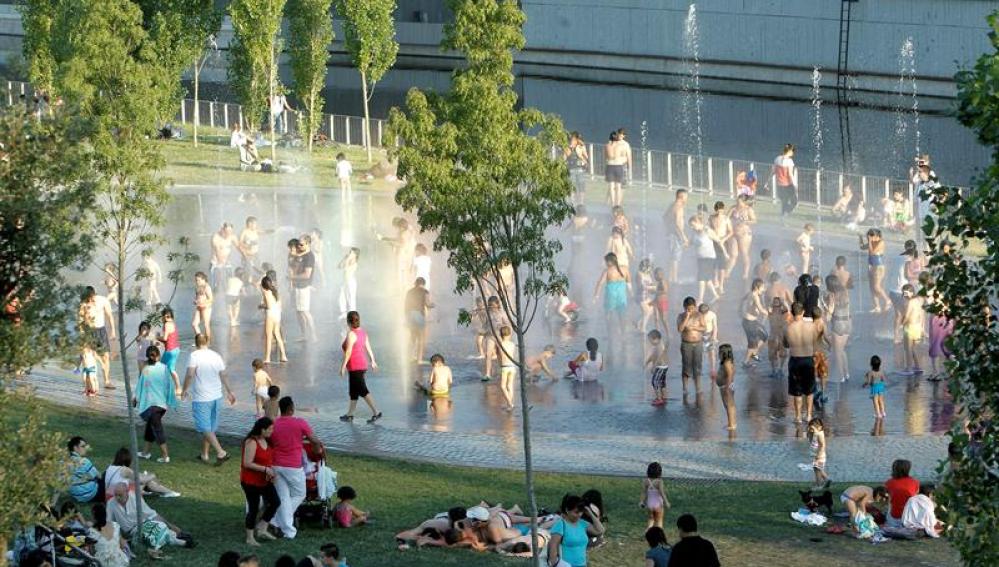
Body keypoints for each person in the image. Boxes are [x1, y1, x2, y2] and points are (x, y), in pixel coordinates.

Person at [270, 396, 323, 539]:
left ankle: (278, 523)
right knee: (300, 494)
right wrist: (318, 449)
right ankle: (282, 526)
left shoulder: (273, 424)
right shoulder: (300, 423)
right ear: (291, 409)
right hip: (292, 466)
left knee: (283, 497)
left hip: (275, 464)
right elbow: (314, 439)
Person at [182, 333, 237, 464]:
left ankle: (221, 452)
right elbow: (224, 374)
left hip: (202, 397)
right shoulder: (216, 355)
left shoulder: (194, 355)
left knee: (204, 427)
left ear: (195, 343)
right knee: (210, 428)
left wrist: (184, 390)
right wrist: (230, 391)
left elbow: (190, 375)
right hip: (217, 397)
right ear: (207, 341)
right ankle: (204, 455)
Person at [106, 482, 191, 556]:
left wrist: (171, 526)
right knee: (150, 536)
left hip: (145, 523)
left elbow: (150, 513)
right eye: (115, 495)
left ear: (127, 492)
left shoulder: (135, 498)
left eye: (120, 495)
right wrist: (120, 538)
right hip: (132, 531)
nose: (117, 498)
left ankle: (179, 537)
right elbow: (109, 524)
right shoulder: (111, 503)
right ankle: (180, 542)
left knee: (160, 527)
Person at [133, 346, 179, 463]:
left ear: (148, 357)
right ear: (158, 356)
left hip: (151, 405)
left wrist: (136, 398)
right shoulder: (164, 368)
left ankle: (165, 456)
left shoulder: (146, 370)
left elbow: (140, 386)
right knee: (150, 427)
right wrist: (171, 401)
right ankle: (145, 452)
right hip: (161, 405)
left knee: (157, 430)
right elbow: (170, 386)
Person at [240, 417, 279, 546]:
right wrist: (265, 469)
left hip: (264, 479)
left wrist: (271, 472)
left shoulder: (267, 441)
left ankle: (262, 528)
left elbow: (268, 460)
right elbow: (247, 463)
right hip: (250, 481)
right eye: (270, 429)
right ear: (262, 429)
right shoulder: (251, 442)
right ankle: (250, 537)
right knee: (254, 507)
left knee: (275, 502)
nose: (272, 431)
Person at [339, 311, 382, 423]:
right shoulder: (362, 332)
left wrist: (343, 366)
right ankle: (350, 414)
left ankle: (376, 412)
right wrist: (372, 360)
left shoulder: (351, 334)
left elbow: (348, 352)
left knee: (362, 390)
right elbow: (368, 347)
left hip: (355, 366)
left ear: (348, 321)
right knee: (353, 391)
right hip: (361, 364)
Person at [547, 494, 605, 567]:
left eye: (581, 511)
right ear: (567, 510)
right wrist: (553, 564)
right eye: (576, 512)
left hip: (582, 564)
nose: (579, 515)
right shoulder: (560, 525)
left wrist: (590, 513)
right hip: (566, 565)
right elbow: (553, 548)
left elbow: (600, 531)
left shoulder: (583, 524)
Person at [784, 302, 818, 423]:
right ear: (803, 312)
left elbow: (785, 344)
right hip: (808, 359)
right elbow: (815, 342)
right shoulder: (811, 326)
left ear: (792, 313)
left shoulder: (788, 328)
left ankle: (798, 416)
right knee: (809, 390)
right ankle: (808, 415)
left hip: (795, 360)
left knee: (796, 391)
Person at [78, 286, 115, 390]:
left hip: (101, 331)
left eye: (91, 297)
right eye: (88, 298)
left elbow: (109, 316)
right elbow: (80, 320)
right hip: (89, 331)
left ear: (94, 294)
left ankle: (107, 381)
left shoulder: (103, 300)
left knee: (106, 356)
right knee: (89, 356)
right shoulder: (84, 304)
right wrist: (82, 333)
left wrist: (113, 331)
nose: (90, 300)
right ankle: (89, 380)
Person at [104, 447, 179, 498]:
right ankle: (168, 492)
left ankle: (165, 492)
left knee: (141, 479)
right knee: (145, 481)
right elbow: (141, 480)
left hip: (108, 494)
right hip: (119, 496)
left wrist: (145, 475)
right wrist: (153, 475)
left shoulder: (110, 467)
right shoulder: (125, 469)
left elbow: (130, 478)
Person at [593, 252, 631, 332]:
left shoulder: (607, 271)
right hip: (621, 296)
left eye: (606, 261)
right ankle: (623, 334)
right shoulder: (625, 269)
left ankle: (610, 333)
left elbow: (600, 283)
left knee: (608, 315)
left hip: (611, 296)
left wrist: (596, 296)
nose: (605, 263)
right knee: (622, 315)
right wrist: (632, 294)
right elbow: (629, 283)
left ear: (610, 261)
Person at [689, 215, 723, 303]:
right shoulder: (694, 232)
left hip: (709, 258)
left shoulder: (707, 231)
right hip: (700, 258)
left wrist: (725, 253)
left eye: (693, 225)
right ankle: (715, 295)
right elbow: (691, 242)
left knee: (701, 278)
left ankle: (700, 299)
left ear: (698, 223)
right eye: (691, 226)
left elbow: (718, 240)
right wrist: (685, 243)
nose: (692, 227)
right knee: (707, 279)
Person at [289, 238, 317, 342]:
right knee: (298, 312)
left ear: (308, 244)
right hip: (297, 286)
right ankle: (304, 335)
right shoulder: (301, 255)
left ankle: (313, 335)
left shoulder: (309, 257)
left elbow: (307, 275)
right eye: (298, 245)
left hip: (303, 287)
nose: (298, 247)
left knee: (305, 312)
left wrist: (292, 277)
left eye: (301, 245)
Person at [676, 297, 705, 394]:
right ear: (684, 307)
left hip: (698, 343)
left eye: (692, 308)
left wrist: (696, 327)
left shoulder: (699, 315)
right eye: (688, 309)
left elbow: (704, 328)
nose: (691, 310)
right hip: (686, 344)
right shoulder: (681, 316)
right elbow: (680, 329)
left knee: (697, 366)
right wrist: (687, 317)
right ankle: (685, 388)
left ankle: (698, 388)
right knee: (686, 366)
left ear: (695, 307)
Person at [259, 275, 288, 364]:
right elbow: (279, 304)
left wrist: (261, 306)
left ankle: (267, 358)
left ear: (263, 285)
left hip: (270, 314)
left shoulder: (265, 291)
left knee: (269, 337)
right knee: (277, 334)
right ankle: (283, 356)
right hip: (277, 314)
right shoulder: (275, 291)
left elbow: (268, 305)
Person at [860, 229, 890, 313]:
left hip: (878, 267)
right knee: (872, 288)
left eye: (870, 237)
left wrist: (869, 242)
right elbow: (862, 247)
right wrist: (860, 238)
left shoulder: (881, 242)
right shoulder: (871, 242)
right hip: (871, 266)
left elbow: (872, 252)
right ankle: (877, 306)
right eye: (867, 237)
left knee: (877, 286)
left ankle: (887, 300)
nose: (869, 239)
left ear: (876, 236)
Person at [405, 277, 434, 363]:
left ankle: (410, 357)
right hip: (419, 315)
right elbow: (428, 304)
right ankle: (419, 360)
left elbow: (405, 305)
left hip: (409, 315)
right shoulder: (424, 291)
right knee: (421, 338)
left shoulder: (409, 292)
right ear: (423, 284)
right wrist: (433, 305)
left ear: (416, 283)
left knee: (413, 337)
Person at [727, 195, 756, 280]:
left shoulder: (748, 210)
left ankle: (745, 273)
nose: (737, 203)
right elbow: (726, 218)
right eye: (737, 201)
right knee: (733, 254)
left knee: (744, 253)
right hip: (734, 232)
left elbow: (754, 220)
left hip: (744, 234)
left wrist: (746, 221)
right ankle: (727, 272)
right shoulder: (733, 208)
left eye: (739, 201)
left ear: (744, 202)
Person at [739, 279, 767, 367]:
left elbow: (742, 300)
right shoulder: (755, 296)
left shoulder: (750, 293)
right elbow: (761, 310)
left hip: (750, 321)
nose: (764, 289)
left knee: (764, 335)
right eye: (762, 287)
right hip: (750, 323)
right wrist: (769, 312)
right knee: (752, 344)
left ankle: (754, 353)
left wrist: (740, 310)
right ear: (756, 287)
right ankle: (746, 361)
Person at [68, 436, 104, 503]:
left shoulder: (65, 461)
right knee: (106, 476)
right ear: (75, 448)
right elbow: (99, 476)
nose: (85, 449)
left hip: (76, 495)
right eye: (83, 446)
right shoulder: (84, 461)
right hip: (89, 495)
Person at [885, 458, 920, 528]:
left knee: (890, 504)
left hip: (894, 520)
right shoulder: (915, 482)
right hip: (911, 519)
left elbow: (890, 500)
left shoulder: (889, 483)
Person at [665, 190, 689, 284]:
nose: (687, 199)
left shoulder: (672, 205)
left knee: (671, 257)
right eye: (686, 197)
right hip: (676, 235)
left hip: (670, 234)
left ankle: (670, 277)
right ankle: (674, 278)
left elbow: (665, 217)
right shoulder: (679, 208)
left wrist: (669, 228)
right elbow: (678, 224)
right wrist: (683, 237)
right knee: (675, 257)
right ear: (681, 197)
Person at [900, 283, 926, 374]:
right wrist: (922, 328)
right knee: (914, 348)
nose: (904, 295)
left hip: (910, 327)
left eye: (906, 293)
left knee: (908, 349)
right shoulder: (918, 301)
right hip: (917, 327)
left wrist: (901, 324)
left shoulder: (910, 302)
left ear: (911, 292)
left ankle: (909, 369)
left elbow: (907, 316)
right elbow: (922, 315)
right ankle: (918, 367)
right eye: (903, 293)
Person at [772, 143, 798, 223]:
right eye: (792, 151)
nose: (793, 153)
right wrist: (794, 184)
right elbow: (790, 174)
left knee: (784, 201)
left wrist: (767, 181)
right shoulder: (789, 161)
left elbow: (773, 171)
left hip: (779, 184)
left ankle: (783, 216)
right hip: (787, 184)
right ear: (789, 151)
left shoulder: (777, 159)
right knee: (794, 201)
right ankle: (785, 214)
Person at [640, 462, 670, 529]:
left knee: (651, 519)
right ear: (659, 472)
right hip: (658, 504)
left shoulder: (646, 481)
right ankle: (659, 534)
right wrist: (666, 502)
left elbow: (644, 492)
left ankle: (648, 532)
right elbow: (662, 493)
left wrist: (642, 501)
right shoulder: (659, 482)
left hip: (650, 504)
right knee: (659, 520)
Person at [565, 131, 590, 203]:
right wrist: (571, 148)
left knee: (581, 186)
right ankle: (571, 202)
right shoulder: (569, 147)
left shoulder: (581, 146)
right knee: (571, 187)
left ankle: (581, 203)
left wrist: (581, 155)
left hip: (580, 169)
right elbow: (565, 156)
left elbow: (586, 157)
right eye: (572, 139)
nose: (573, 140)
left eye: (575, 139)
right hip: (571, 169)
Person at [717, 344, 737, 431]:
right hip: (725, 385)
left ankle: (732, 424)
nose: (718, 354)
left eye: (720, 352)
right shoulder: (727, 362)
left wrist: (727, 387)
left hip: (726, 385)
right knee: (728, 405)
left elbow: (730, 374)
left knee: (729, 405)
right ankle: (731, 423)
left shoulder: (727, 362)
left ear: (724, 353)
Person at [646, 330, 669, 405]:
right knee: (662, 383)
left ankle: (659, 399)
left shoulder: (659, 346)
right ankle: (663, 397)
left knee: (655, 382)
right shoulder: (657, 346)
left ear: (656, 339)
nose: (650, 342)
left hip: (660, 367)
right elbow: (653, 356)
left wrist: (653, 367)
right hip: (663, 367)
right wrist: (647, 362)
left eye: (651, 340)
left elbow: (659, 358)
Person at [497, 325, 518, 411]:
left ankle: (510, 403)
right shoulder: (513, 344)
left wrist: (499, 364)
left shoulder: (500, 345)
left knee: (502, 386)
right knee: (510, 386)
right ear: (509, 334)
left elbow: (499, 357)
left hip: (504, 367)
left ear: (501, 335)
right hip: (512, 367)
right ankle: (509, 404)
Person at [928, 313, 954, 380]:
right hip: (948, 322)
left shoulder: (934, 310)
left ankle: (935, 372)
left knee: (934, 348)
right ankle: (951, 371)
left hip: (938, 322)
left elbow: (931, 324)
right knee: (947, 348)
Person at [862, 355, 887, 419]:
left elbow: (868, 381)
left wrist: (864, 385)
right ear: (880, 364)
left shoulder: (871, 372)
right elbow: (883, 379)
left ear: (871, 364)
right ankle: (883, 412)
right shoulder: (881, 371)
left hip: (875, 388)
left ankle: (878, 414)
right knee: (881, 400)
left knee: (875, 401)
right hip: (881, 387)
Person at [806, 418, 829, 488]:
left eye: (814, 428)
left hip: (820, 455)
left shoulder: (820, 434)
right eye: (810, 427)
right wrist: (810, 431)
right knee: (818, 468)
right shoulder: (814, 433)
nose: (812, 430)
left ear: (820, 427)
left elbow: (822, 445)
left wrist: (819, 455)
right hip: (816, 454)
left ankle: (818, 484)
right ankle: (827, 479)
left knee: (817, 470)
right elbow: (810, 438)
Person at [337, 248, 360, 318]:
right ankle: (343, 313)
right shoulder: (348, 260)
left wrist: (347, 259)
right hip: (345, 281)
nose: (349, 253)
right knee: (342, 297)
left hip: (350, 282)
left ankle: (352, 315)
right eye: (350, 252)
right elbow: (339, 266)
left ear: (355, 255)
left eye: (351, 252)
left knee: (351, 299)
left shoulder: (354, 263)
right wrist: (344, 258)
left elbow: (346, 269)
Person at [192, 271, 214, 343]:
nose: (197, 282)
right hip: (199, 307)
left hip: (206, 307)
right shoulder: (198, 287)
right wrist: (196, 301)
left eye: (198, 280)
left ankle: (207, 342)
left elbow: (211, 299)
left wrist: (203, 303)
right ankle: (200, 341)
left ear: (203, 279)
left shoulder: (207, 287)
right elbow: (197, 297)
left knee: (206, 324)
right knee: (194, 324)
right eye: (196, 280)